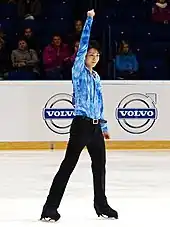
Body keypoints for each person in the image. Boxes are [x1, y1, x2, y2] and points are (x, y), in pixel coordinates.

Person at [40, 9, 118, 222]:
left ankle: (101, 205)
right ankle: (50, 208)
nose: (94, 57)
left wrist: (103, 126)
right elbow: (83, 43)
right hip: (81, 126)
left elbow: (99, 103)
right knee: (68, 166)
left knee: (100, 167)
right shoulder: (79, 71)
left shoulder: (96, 76)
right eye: (91, 54)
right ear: (84, 56)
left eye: (97, 55)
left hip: (94, 128)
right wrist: (90, 20)